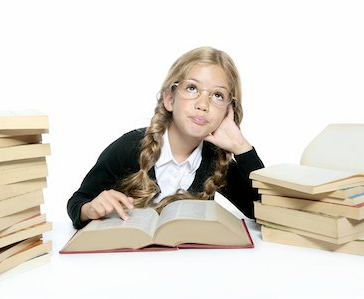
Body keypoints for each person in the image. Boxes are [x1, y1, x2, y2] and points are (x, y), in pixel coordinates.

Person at [67, 46, 264, 229]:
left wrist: (241, 147)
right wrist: (90, 209)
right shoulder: (129, 147)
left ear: (228, 111)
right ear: (169, 99)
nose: (203, 104)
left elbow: (265, 211)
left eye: (218, 95)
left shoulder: (216, 162)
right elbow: (77, 203)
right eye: (192, 88)